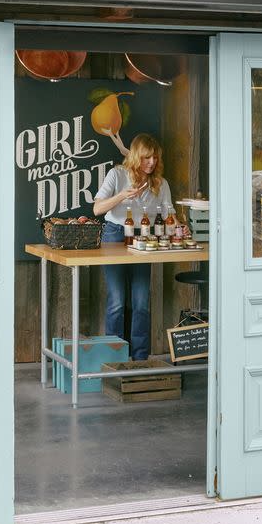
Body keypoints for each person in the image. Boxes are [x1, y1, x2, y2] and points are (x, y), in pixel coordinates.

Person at [92, 133, 173, 361]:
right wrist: (121, 196)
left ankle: (139, 360)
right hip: (115, 235)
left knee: (141, 303)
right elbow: (97, 209)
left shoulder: (160, 183)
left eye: (155, 158)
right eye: (147, 158)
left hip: (143, 239)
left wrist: (179, 227)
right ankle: (114, 360)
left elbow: (169, 216)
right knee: (117, 301)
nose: (152, 163)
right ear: (137, 156)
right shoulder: (117, 174)